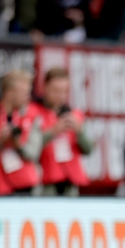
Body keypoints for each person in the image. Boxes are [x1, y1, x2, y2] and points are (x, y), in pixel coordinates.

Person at [36, 67, 93, 196]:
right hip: (45, 181)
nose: (59, 96)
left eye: (64, 91)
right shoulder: (35, 113)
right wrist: (52, 131)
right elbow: (29, 147)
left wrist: (79, 132)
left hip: (70, 181)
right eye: (55, 90)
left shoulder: (74, 114)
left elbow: (89, 149)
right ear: (45, 87)